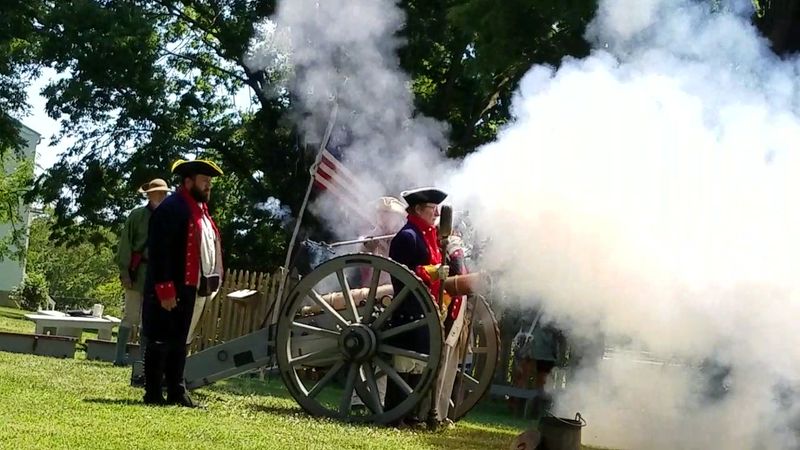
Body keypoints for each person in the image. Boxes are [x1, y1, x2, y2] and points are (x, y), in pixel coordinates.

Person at [140, 159, 224, 407]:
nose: (208, 186)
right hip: (171, 288)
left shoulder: (199, 210)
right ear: (188, 182)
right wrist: (165, 289)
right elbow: (159, 252)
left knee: (180, 341)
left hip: (192, 289)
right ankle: (153, 393)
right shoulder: (172, 208)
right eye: (204, 181)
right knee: (160, 340)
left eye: (209, 182)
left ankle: (177, 390)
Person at [384, 187, 447, 426]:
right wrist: (431, 272)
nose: (436, 213)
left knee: (419, 364)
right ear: (419, 209)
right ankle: (395, 414)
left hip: (424, 308)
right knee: (403, 363)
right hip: (407, 308)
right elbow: (401, 274)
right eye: (432, 209)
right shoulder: (408, 236)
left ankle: (410, 414)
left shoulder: (426, 234)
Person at [114, 178, 170, 367]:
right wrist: (125, 273)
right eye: (159, 192)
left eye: (164, 192)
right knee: (130, 315)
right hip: (137, 271)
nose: (163, 195)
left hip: (157, 274)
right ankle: (119, 357)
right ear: (149, 194)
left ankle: (146, 360)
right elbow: (125, 245)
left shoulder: (168, 218)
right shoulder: (136, 216)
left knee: (150, 319)